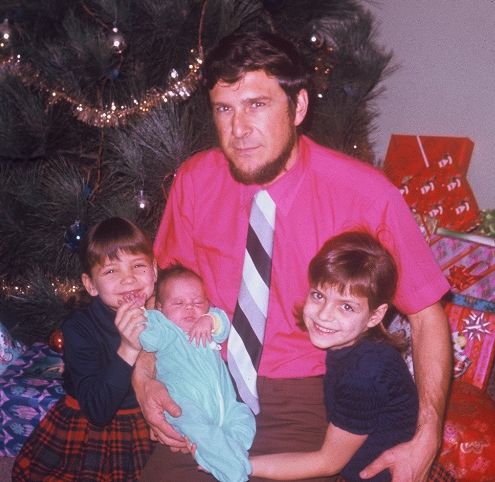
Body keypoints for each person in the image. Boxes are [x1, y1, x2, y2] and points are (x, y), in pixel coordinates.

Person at [134, 30, 452, 482]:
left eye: (256, 105)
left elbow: (425, 314)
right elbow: (161, 298)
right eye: (224, 109)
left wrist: (427, 436)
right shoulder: (194, 181)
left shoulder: (366, 194)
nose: (238, 129)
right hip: (208, 382)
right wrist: (145, 377)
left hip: (312, 394)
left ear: (298, 106)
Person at [249, 231, 419, 481]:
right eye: (318, 295)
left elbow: (327, 463)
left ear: (374, 316)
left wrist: (241, 465)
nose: (324, 314)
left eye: (346, 306)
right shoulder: (353, 347)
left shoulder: (365, 373)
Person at [12, 217, 156, 481]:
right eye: (111, 271)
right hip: (92, 421)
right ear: (90, 285)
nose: (129, 279)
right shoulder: (78, 328)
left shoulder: (162, 315)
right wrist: (128, 348)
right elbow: (97, 411)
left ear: (154, 271)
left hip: (148, 413)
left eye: (138, 265)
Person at [139, 264, 255, 482]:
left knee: (244, 418)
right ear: (161, 308)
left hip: (225, 405)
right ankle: (234, 472)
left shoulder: (208, 324)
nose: (190, 308)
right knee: (200, 429)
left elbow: (223, 326)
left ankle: (227, 452)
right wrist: (150, 317)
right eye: (179, 303)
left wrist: (209, 319)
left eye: (197, 302)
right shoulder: (166, 330)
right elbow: (148, 340)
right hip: (184, 404)